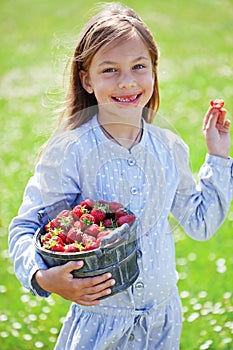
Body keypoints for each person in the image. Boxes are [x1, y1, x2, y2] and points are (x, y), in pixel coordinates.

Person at [8, 2, 233, 349]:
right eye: (110, 69)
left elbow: (201, 223)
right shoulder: (71, 152)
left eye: (139, 66)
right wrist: (43, 277)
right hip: (100, 326)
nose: (127, 81)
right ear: (87, 79)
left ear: (154, 71)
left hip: (161, 323)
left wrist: (218, 156)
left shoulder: (168, 148)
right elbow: (25, 226)